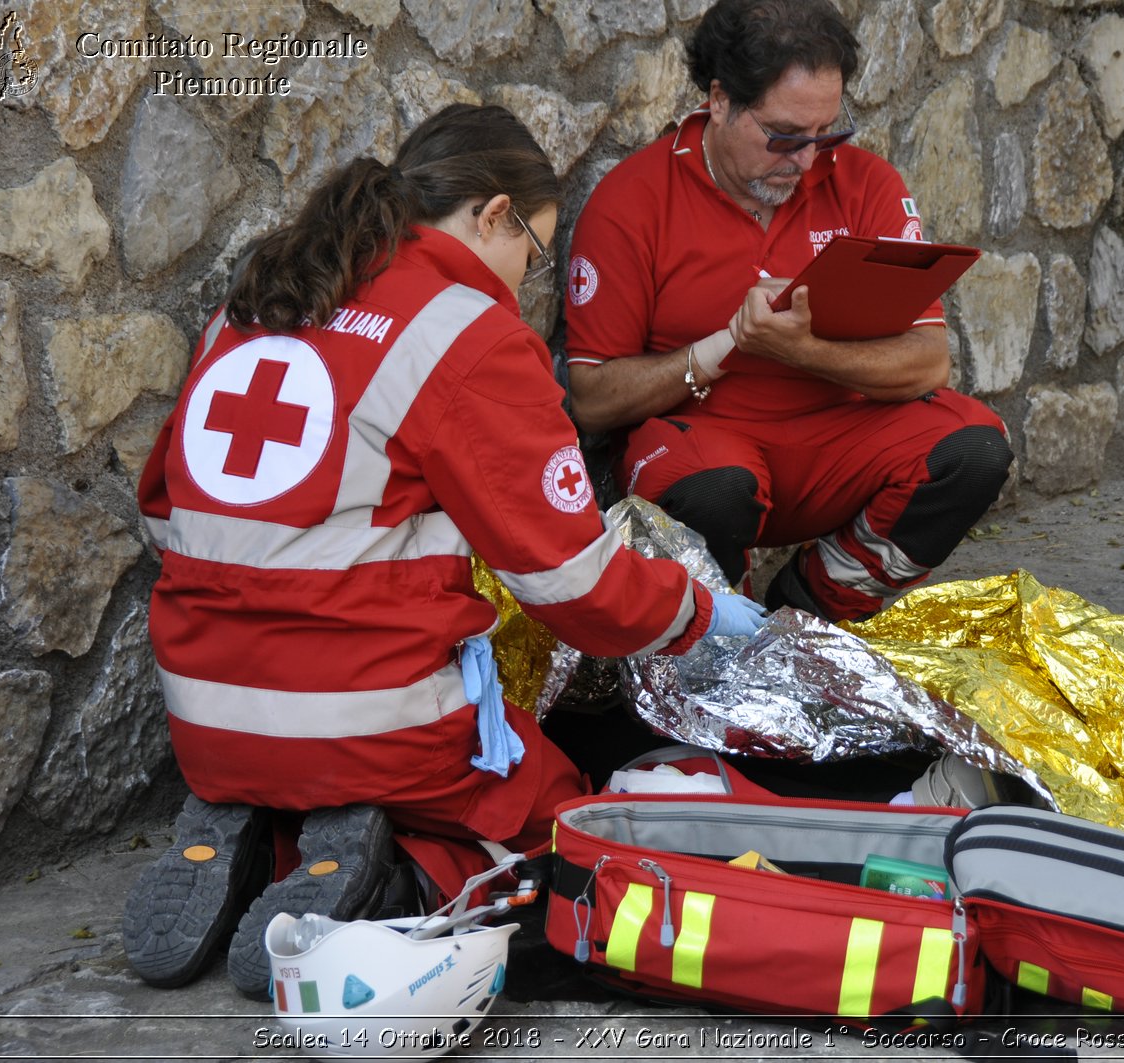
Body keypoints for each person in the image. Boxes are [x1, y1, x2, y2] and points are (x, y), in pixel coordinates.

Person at [124, 104, 767, 998]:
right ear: (493, 215)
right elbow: (572, 581)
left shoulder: (261, 299)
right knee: (550, 825)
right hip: (370, 720)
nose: (521, 285)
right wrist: (698, 610)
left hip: (203, 713)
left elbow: (164, 511)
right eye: (533, 255)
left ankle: (260, 827)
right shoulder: (466, 331)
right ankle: (396, 881)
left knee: (321, 750)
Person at [564, 0, 1014, 623]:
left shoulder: (866, 185)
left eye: (826, 134)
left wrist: (804, 352)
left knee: (974, 448)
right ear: (719, 101)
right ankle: (723, 635)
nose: (806, 161)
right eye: (783, 137)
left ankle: (817, 607)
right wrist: (725, 346)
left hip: (838, 441)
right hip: (706, 443)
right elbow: (590, 398)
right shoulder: (632, 202)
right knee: (715, 490)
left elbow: (928, 362)